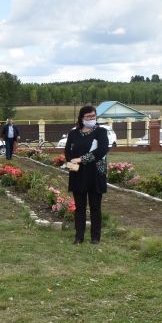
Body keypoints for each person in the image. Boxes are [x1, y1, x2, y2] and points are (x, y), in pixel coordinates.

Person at [64, 105, 109, 244]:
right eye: (88, 116)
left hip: (96, 174)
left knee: (95, 207)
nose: (91, 119)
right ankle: (79, 236)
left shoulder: (101, 131)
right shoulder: (73, 133)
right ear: (81, 118)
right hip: (78, 175)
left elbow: (102, 150)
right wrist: (71, 163)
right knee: (80, 207)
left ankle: (95, 237)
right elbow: (68, 151)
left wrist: (81, 159)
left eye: (93, 116)